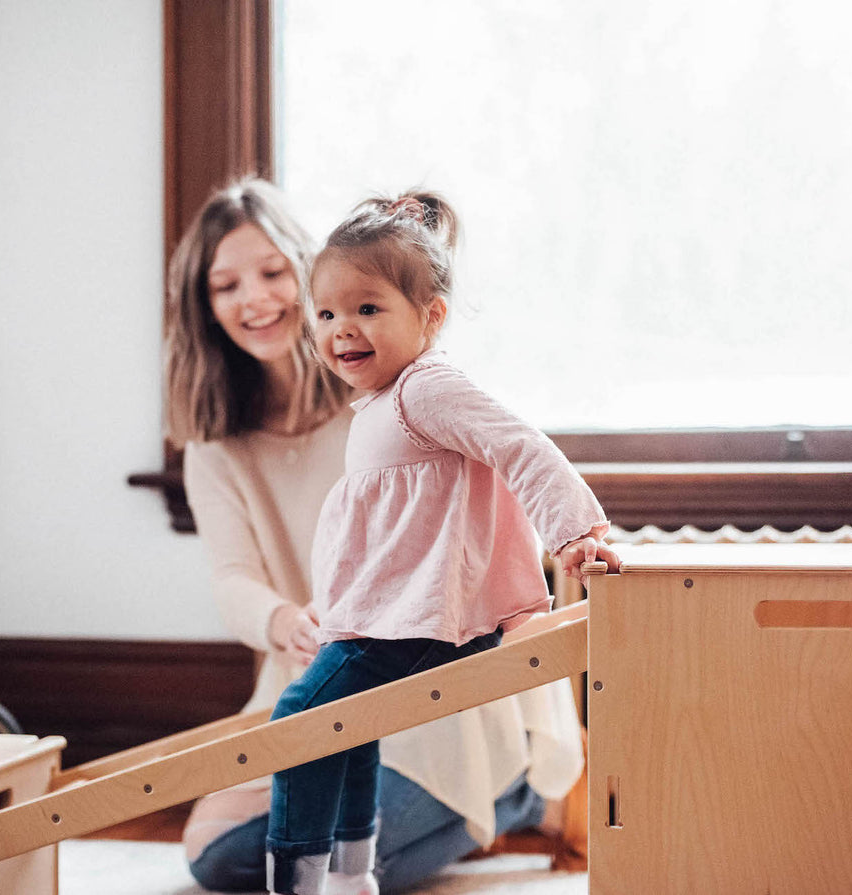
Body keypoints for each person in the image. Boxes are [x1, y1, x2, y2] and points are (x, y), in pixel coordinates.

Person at [165, 179, 591, 894]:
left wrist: (579, 531)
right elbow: (232, 574)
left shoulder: (392, 388)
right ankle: (445, 820)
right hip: (336, 659)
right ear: (203, 306)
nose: (255, 298)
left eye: (273, 272)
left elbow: (514, 456)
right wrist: (280, 619)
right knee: (215, 852)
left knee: (274, 847)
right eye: (225, 284)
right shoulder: (217, 444)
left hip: (435, 662)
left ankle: (513, 788)